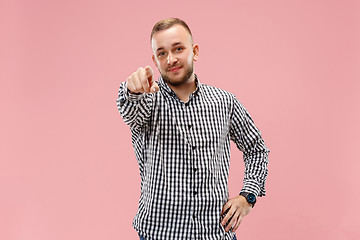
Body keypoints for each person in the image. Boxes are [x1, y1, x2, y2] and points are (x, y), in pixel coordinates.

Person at [116, 17, 269, 240]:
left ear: (194, 51)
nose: (171, 59)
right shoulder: (147, 102)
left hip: (216, 234)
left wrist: (248, 196)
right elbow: (130, 108)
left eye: (178, 49)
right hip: (160, 235)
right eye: (162, 53)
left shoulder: (224, 102)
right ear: (155, 60)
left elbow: (256, 149)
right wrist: (131, 88)